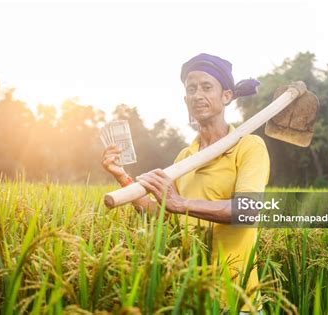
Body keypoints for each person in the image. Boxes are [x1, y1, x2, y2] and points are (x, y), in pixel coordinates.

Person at [102, 53, 270, 313]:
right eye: (191, 89)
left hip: (237, 301)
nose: (197, 95)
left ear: (226, 96)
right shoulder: (184, 157)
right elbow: (163, 216)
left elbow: (248, 210)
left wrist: (181, 203)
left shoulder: (249, 146)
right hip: (192, 296)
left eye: (206, 87)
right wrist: (121, 175)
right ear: (185, 100)